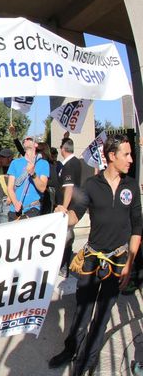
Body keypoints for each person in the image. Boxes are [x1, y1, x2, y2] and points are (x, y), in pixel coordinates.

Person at [49, 134, 142, 376]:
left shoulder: (131, 186)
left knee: (101, 316)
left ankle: (85, 361)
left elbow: (137, 227)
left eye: (131, 154)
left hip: (119, 261)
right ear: (112, 156)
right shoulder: (91, 185)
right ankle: (70, 350)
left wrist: (129, 263)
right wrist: (61, 214)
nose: (131, 159)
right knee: (82, 310)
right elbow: (75, 214)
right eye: (126, 154)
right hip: (91, 259)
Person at [7, 138, 49, 220]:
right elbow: (10, 187)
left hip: (32, 209)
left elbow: (42, 188)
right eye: (25, 139)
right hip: (14, 210)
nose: (26, 139)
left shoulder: (44, 163)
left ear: (36, 144)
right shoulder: (15, 163)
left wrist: (33, 173)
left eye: (29, 138)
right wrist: (15, 203)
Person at [57, 137, 82, 277]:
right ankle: (64, 266)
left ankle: (64, 267)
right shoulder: (76, 162)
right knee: (67, 238)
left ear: (63, 149)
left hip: (68, 208)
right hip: (73, 206)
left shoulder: (70, 164)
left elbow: (69, 187)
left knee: (65, 239)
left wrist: (64, 208)